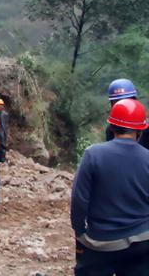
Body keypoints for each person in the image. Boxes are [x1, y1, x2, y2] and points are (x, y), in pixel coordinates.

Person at [71, 99, 149, 275]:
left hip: (101, 243)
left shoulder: (93, 154)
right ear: (140, 130)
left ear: (111, 128)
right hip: (143, 241)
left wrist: (79, 231)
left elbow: (79, 198)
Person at [105, 79, 139, 143]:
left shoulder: (146, 128)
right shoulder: (111, 129)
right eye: (118, 103)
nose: (123, 107)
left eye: (127, 102)